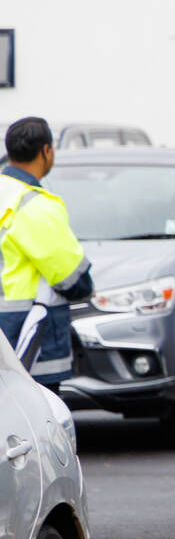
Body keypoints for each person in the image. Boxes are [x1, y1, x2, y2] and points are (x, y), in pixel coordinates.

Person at [0, 117, 92, 386]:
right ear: (46, 151)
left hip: (7, 339)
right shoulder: (34, 204)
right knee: (40, 411)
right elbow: (72, 279)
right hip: (28, 340)